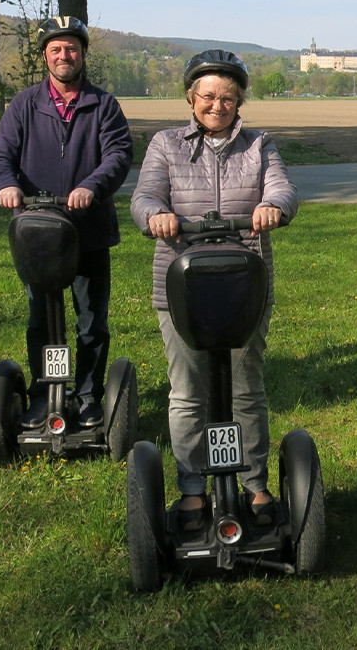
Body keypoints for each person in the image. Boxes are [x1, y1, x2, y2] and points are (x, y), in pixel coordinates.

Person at [130, 50, 298, 530]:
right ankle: (191, 490)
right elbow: (144, 197)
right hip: (181, 285)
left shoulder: (259, 144)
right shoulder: (166, 144)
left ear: (240, 100)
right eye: (208, 95)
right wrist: (154, 216)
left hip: (245, 284)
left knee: (246, 389)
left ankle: (255, 484)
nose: (217, 105)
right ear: (191, 97)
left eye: (227, 96)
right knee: (187, 392)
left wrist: (273, 206)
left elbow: (284, 189)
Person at [0, 16, 133, 429]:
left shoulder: (102, 105)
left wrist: (91, 186)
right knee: (42, 319)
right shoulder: (24, 105)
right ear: (45, 57)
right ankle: (47, 391)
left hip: (88, 231)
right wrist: (7, 185)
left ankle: (87, 395)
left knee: (91, 320)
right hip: (38, 233)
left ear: (83, 54)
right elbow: (1, 155)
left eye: (71, 49)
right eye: (56, 49)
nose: (63, 55)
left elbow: (119, 155)